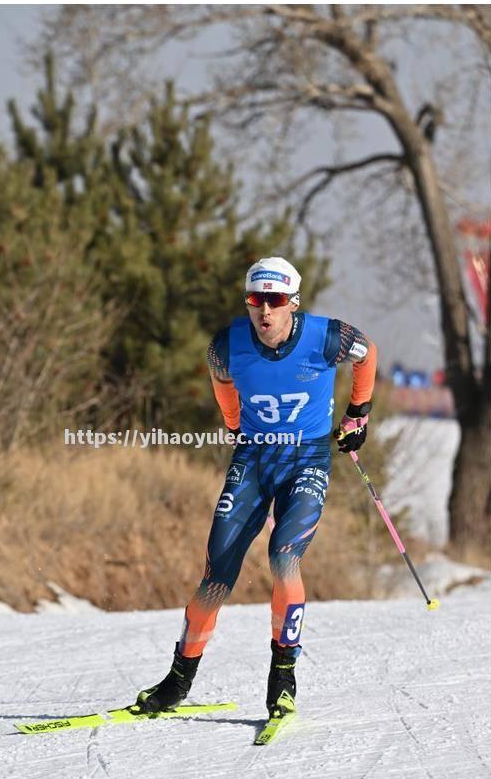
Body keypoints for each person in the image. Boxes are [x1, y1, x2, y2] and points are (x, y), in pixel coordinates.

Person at [134, 257, 377, 720]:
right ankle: (178, 680)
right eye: (255, 300)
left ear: (293, 303)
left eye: (276, 300)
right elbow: (222, 381)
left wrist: (357, 414)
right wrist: (233, 427)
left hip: (305, 458)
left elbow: (369, 356)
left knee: (283, 558)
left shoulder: (328, 336)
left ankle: (282, 677)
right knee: (216, 574)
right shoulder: (225, 346)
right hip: (253, 459)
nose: (265, 311)